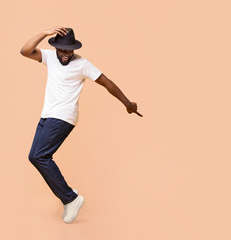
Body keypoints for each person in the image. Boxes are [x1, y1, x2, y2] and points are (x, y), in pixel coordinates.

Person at [20, 26, 142, 224]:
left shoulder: (82, 64)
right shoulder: (50, 57)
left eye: (70, 50)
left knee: (39, 156)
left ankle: (71, 199)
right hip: (47, 115)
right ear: (56, 47)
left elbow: (107, 82)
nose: (66, 54)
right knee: (34, 156)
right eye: (63, 50)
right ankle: (68, 193)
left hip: (63, 116)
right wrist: (45, 33)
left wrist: (128, 104)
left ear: (74, 49)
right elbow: (25, 51)